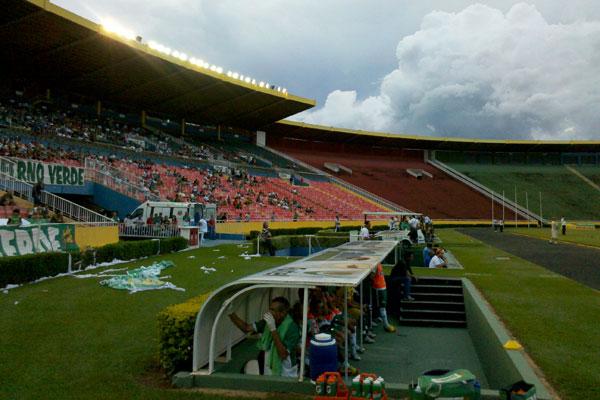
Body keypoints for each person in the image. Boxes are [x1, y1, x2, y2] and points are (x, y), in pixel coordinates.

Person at [228, 297, 300, 377]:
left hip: (286, 373)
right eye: (269, 309)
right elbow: (246, 328)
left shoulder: (292, 328)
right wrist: (230, 312)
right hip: (269, 371)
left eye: (272, 310)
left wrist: (273, 329)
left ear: (282, 313)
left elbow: (283, 354)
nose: (269, 312)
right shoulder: (268, 323)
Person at [371, 262, 395, 332]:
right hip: (378, 288)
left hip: (382, 287)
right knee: (382, 306)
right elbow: (371, 276)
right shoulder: (374, 265)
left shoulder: (378, 264)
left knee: (382, 305)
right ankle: (386, 325)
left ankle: (375, 319)